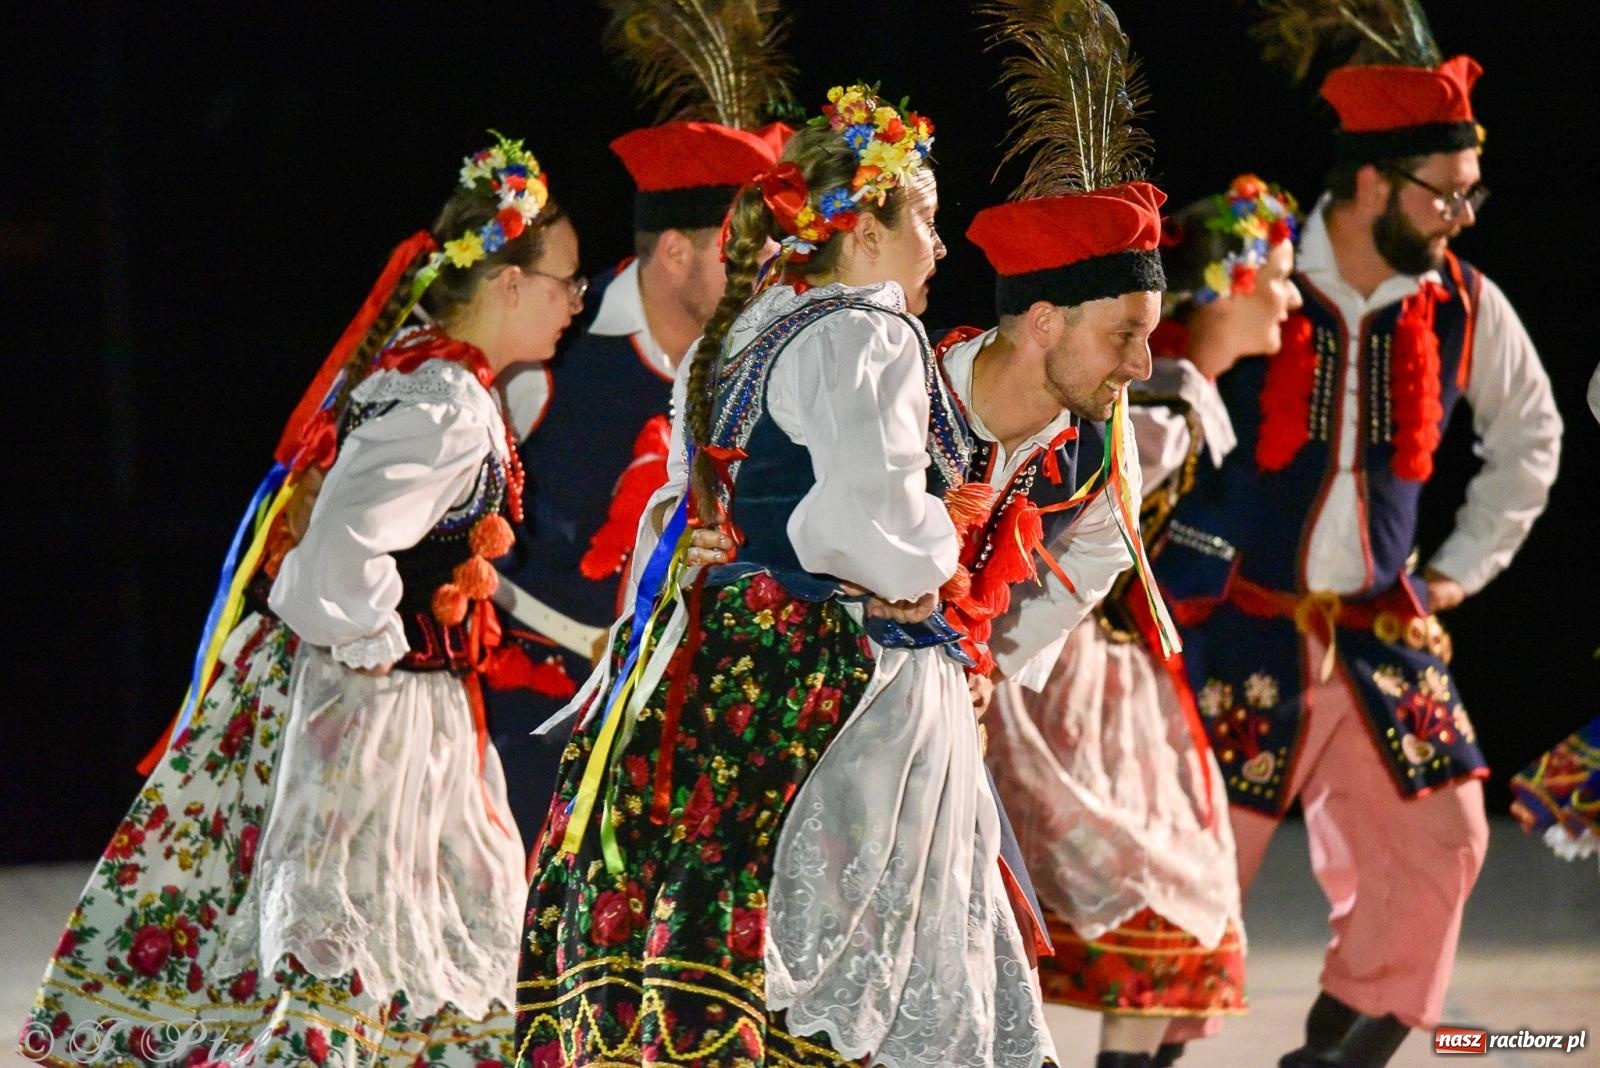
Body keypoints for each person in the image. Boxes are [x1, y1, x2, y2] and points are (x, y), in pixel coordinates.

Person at [514, 85, 1055, 1068]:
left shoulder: (744, 330)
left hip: (711, 656)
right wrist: (937, 549)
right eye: (926, 222)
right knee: (839, 931)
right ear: (867, 226)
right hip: (818, 669)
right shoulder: (867, 332)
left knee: (705, 893)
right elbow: (857, 523)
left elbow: (682, 508)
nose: (938, 249)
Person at [20, 134, 580, 1068]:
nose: (575, 300)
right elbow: (340, 552)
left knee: (414, 882)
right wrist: (381, 640)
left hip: (385, 692)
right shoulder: (440, 401)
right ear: (509, 284)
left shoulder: (427, 374)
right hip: (369, 698)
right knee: (344, 885)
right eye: (565, 281)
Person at [1157, 50, 1562, 1067]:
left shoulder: (1462, 303)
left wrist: (1456, 572)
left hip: (1381, 626)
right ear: (1374, 181)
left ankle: (1340, 1048)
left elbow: (1531, 438)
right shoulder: (1252, 275)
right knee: (1194, 869)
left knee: (1444, 835)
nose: (1461, 218)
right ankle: (1141, 1052)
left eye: (1471, 198)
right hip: (1236, 620)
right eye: (1446, 195)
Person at [983, 176, 1302, 1068]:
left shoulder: (1181, 398)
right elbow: (1068, 546)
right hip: (1079, 674)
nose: (1289, 296)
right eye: (1274, 276)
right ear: (1227, 283)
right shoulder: (1162, 409)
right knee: (1157, 892)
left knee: (1174, 901)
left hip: (1125, 679)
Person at [490, 98, 791, 844]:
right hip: (525, 729)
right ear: (677, 255)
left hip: (683, 744)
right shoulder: (550, 349)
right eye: (746, 250)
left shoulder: (767, 366)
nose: (774, 269)